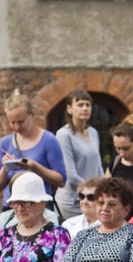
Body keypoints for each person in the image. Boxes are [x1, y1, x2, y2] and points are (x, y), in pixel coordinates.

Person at [0, 89, 66, 211]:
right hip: (11, 208)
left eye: (20, 121)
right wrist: (5, 168)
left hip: (40, 208)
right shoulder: (4, 143)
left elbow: (61, 180)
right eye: (12, 122)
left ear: (32, 114)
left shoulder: (48, 140)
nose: (16, 127)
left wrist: (34, 167)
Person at [55, 90, 105, 220]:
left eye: (88, 105)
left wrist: (103, 189)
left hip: (94, 198)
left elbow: (98, 167)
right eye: (80, 104)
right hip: (72, 202)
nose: (85, 108)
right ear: (69, 109)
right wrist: (93, 191)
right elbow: (70, 175)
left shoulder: (93, 132)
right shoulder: (63, 134)